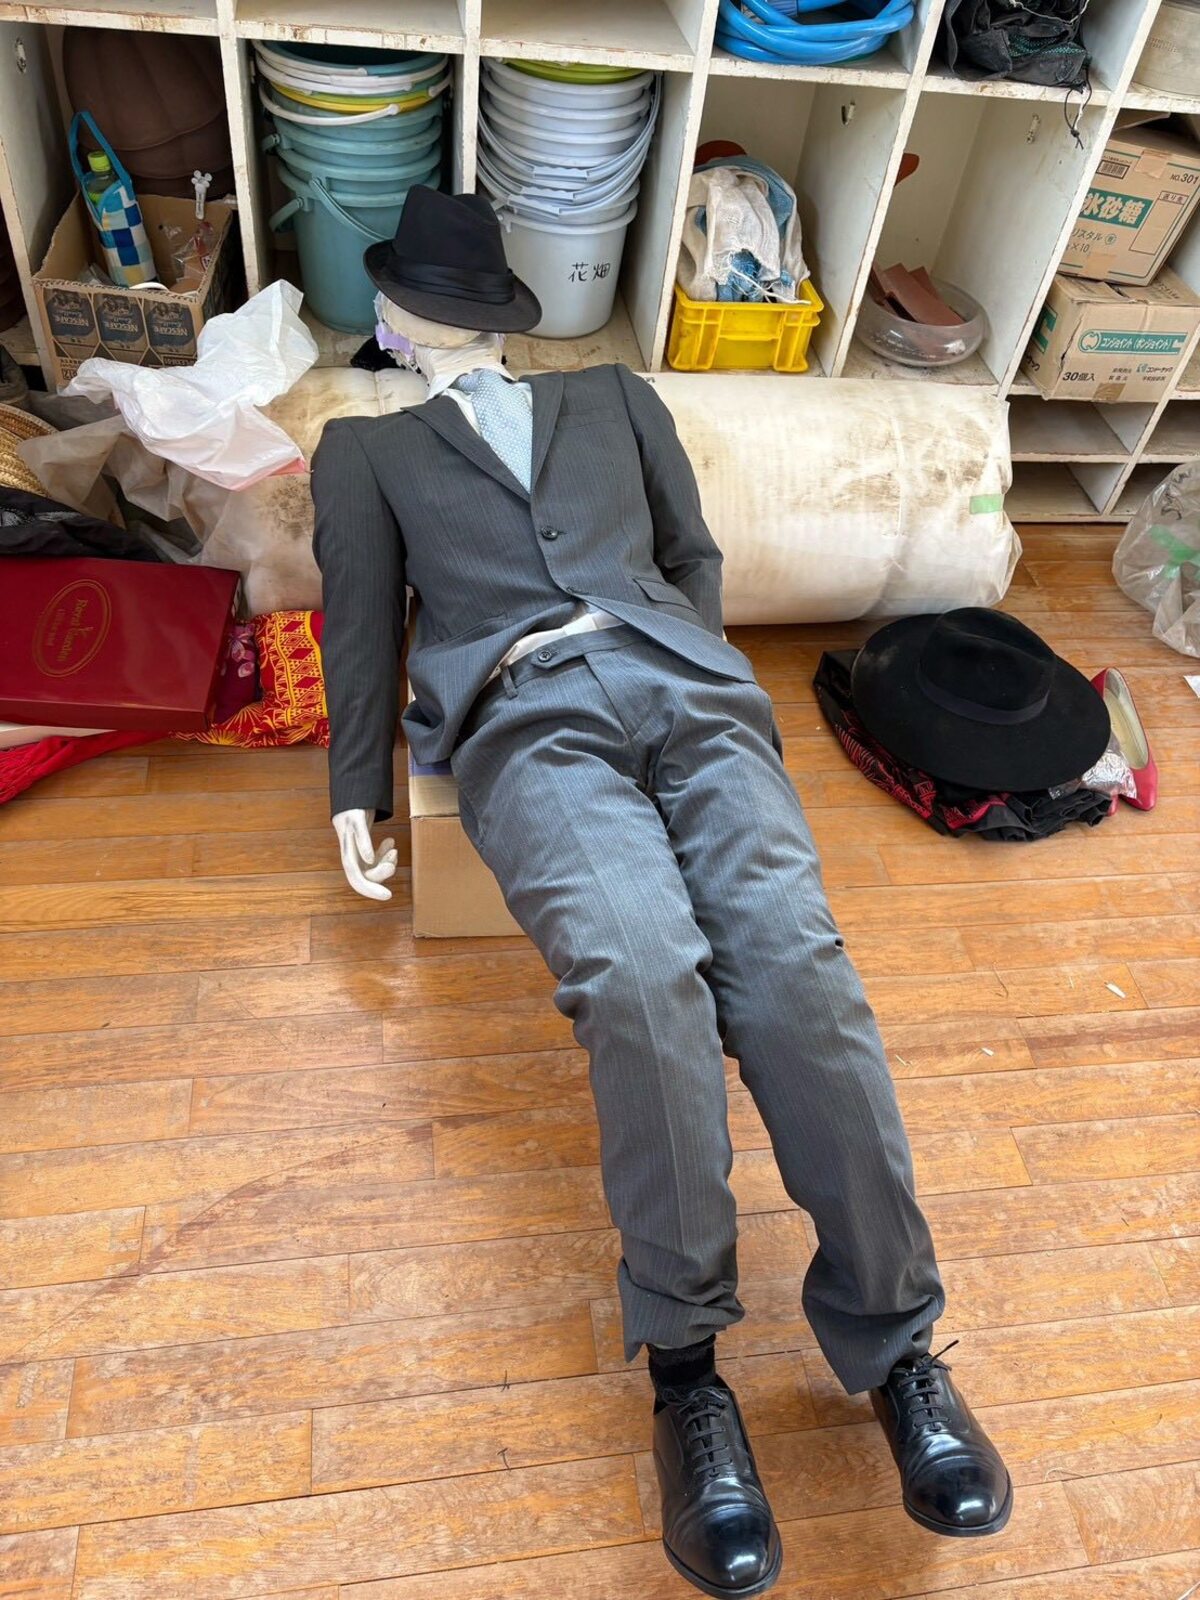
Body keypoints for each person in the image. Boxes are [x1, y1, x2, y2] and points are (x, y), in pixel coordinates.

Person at [311, 187, 1011, 1599]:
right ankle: (687, 1372)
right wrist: (355, 788)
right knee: (640, 976)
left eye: (414, 297)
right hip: (525, 718)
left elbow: (690, 554)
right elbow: (359, 620)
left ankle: (897, 1343)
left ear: (438, 312)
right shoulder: (366, 449)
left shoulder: (614, 400)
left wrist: (690, 656)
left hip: (687, 692)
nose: (401, 314)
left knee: (795, 972)